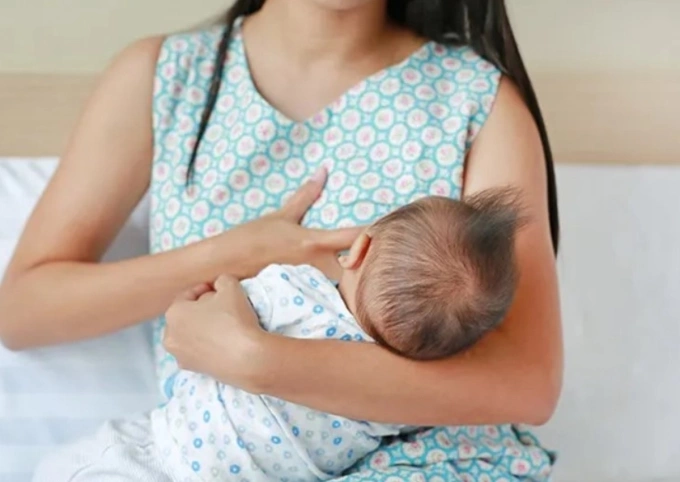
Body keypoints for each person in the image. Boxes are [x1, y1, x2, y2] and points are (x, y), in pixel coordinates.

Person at [0, 0, 562, 480]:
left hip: (430, 464)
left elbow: (528, 386)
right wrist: (233, 255)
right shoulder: (165, 78)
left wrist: (261, 361)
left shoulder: (477, 100)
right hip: (221, 464)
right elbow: (24, 310)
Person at [34, 191, 523, 481]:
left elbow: (207, 317)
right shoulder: (393, 408)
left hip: (162, 455)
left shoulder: (294, 289)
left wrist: (216, 287)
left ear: (360, 247)